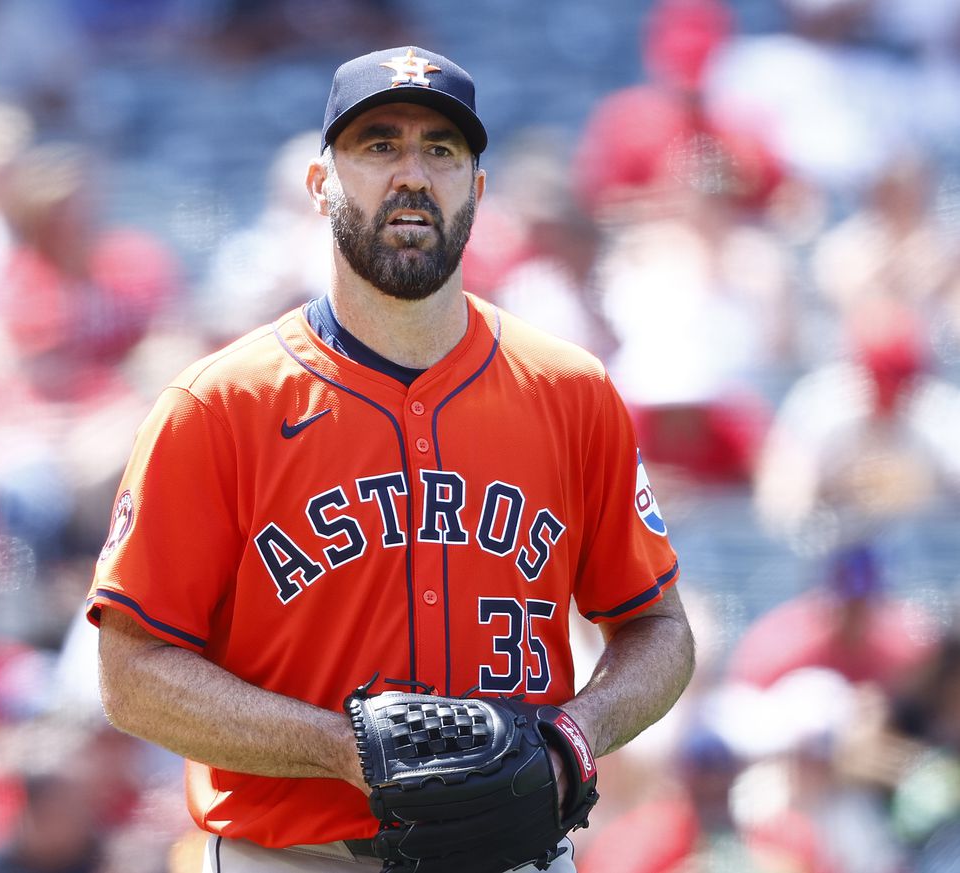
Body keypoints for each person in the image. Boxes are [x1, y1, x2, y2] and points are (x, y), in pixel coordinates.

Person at [89, 46, 695, 873]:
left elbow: (658, 631)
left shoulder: (571, 391)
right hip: (295, 856)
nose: (412, 173)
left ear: (476, 190)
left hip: (509, 852)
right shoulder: (219, 405)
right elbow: (131, 674)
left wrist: (575, 736)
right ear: (320, 184)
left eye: (441, 150)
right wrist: (338, 747)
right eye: (378, 145)